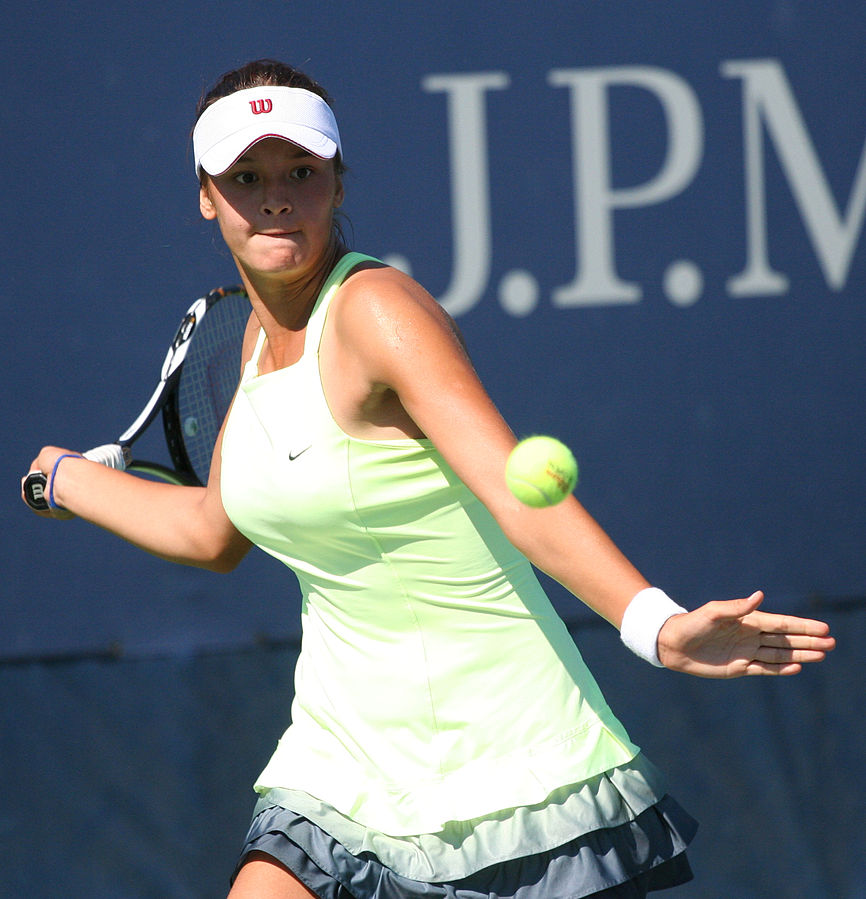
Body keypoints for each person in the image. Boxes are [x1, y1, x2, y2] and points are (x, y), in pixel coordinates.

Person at [24, 59, 835, 899]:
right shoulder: (254, 347)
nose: (275, 199)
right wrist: (65, 478)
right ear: (206, 195)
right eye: (246, 177)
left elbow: (515, 487)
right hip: (340, 769)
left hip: (509, 773)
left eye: (300, 171)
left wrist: (655, 626)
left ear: (338, 183)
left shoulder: (378, 311)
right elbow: (210, 530)